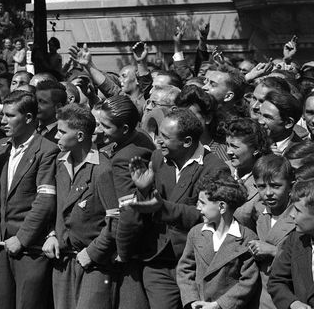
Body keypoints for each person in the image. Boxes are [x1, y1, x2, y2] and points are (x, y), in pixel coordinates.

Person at [128, 108, 227, 309]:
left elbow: (208, 215)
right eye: (159, 134)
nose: (158, 141)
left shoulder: (214, 168)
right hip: (159, 261)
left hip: (194, 263)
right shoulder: (157, 159)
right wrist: (144, 189)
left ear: (187, 142)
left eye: (165, 137)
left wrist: (164, 208)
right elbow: (148, 204)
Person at [0, 90, 58, 309]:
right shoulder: (1, 147)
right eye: (3, 114)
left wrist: (22, 238)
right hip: (2, 243)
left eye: (10, 116)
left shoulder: (47, 150)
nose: (3, 121)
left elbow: (45, 201)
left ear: (29, 118)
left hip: (30, 249)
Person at [42, 104, 117, 309]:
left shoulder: (102, 169)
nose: (56, 136)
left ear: (81, 136)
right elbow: (51, 206)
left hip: (94, 265)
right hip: (63, 261)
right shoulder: (59, 162)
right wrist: (51, 235)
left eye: (62, 132)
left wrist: (92, 253)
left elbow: (116, 220)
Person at [94, 95, 154, 308]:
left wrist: (123, 251)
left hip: (131, 249)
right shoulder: (142, 138)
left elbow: (128, 210)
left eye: (105, 126)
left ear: (126, 129)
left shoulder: (123, 158)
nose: (99, 130)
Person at [176, 171, 260, 309]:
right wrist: (192, 300)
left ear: (221, 207)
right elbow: (184, 270)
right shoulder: (196, 233)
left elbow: (248, 281)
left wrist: (219, 305)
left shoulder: (246, 238)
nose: (198, 208)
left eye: (202, 203)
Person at [248, 154, 295, 309]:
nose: (268, 193)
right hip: (259, 297)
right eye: (261, 186)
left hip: (289, 297)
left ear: (291, 186)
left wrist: (274, 251)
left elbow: (307, 260)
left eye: (275, 186)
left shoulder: (300, 216)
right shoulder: (256, 211)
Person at [268, 179, 314, 309]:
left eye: (298, 210)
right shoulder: (295, 240)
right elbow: (277, 281)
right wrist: (292, 303)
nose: (292, 215)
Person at [225, 118, 271, 231]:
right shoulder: (221, 169)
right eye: (227, 145)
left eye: (235, 147)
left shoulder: (266, 180)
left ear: (255, 149)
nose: (228, 152)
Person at [258, 90, 303, 156]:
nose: (260, 121)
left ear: (288, 123)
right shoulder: (249, 140)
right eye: (260, 114)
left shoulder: (302, 154)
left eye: (267, 117)